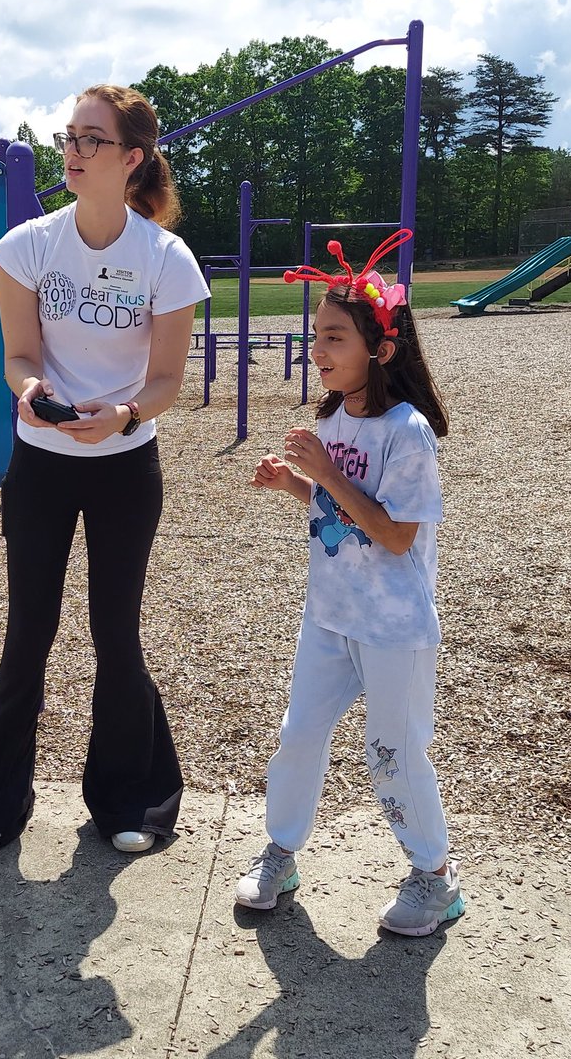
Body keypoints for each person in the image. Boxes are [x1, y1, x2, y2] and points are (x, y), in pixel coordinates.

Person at [0, 84, 210, 855]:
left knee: (116, 635)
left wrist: (127, 416)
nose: (71, 150)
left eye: (91, 140)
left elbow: (168, 378)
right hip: (38, 465)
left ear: (131, 159)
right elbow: (18, 357)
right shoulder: (30, 244)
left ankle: (131, 804)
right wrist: (30, 391)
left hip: (124, 466)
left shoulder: (165, 258)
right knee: (27, 632)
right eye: (69, 136)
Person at [234, 231, 465, 937]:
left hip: (393, 627)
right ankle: (282, 852)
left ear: (380, 350)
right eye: (316, 337)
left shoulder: (408, 431)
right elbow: (343, 510)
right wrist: (296, 487)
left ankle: (435, 877)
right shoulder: (334, 418)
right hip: (329, 616)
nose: (318, 350)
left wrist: (326, 476)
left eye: (333, 337)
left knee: (392, 751)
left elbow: (396, 535)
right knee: (299, 734)